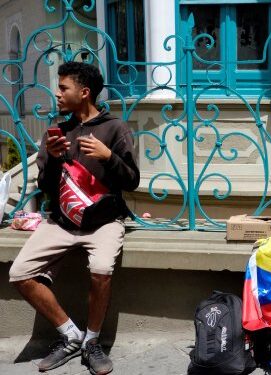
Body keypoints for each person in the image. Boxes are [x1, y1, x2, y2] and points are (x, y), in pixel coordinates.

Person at [8, 61, 140, 374]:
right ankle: (70, 336)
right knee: (20, 273)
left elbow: (132, 180)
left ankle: (92, 342)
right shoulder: (58, 131)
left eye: (64, 87)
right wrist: (53, 160)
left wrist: (108, 157)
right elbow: (45, 187)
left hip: (104, 221)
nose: (57, 93)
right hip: (62, 222)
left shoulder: (115, 128)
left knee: (101, 269)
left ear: (84, 92)